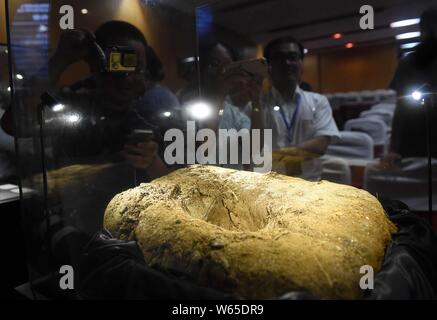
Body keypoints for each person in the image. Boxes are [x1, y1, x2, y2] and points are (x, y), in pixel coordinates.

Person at [261, 36, 340, 180]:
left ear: (301, 64)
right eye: (279, 58)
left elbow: (321, 144)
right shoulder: (257, 105)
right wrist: (298, 152)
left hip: (309, 183)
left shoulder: (318, 101)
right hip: (268, 184)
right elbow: (251, 148)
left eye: (293, 57)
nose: (287, 63)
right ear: (269, 66)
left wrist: (275, 156)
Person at [385, 6, 437, 166]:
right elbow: (401, 106)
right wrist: (393, 149)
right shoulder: (409, 62)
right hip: (415, 139)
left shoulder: (408, 62)